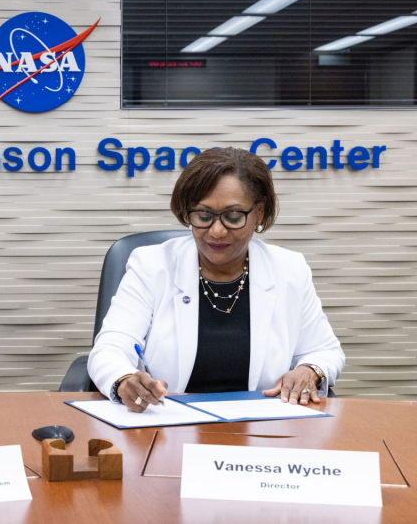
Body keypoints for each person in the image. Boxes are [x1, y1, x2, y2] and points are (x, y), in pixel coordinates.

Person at [88, 147, 344, 412]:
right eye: (203, 215)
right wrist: (124, 379)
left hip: (263, 426)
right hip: (167, 423)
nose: (217, 231)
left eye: (233, 216)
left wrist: (309, 370)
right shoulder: (151, 266)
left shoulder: (289, 269)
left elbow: (325, 351)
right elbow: (110, 348)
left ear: (259, 211)